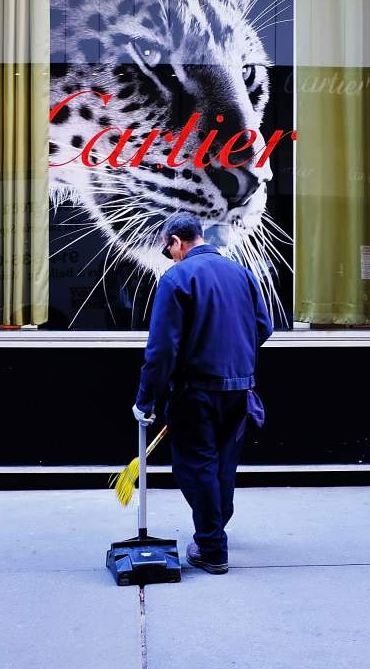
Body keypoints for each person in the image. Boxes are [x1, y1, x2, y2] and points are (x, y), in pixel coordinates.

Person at [132, 212, 273, 575]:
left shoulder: (177, 277)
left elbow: (162, 349)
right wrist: (233, 353)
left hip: (196, 392)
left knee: (195, 467)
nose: (170, 257)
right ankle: (215, 527)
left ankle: (211, 547)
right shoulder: (241, 273)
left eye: (169, 250)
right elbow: (263, 327)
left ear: (176, 242)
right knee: (223, 464)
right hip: (239, 388)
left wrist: (146, 399)